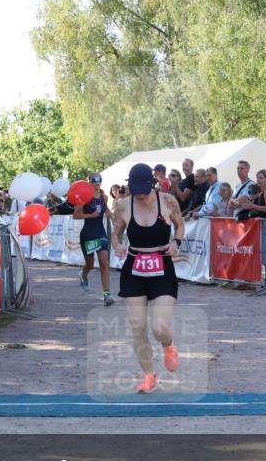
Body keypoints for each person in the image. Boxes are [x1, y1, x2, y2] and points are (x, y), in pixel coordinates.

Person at [112, 164, 185, 394]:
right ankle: (148, 376)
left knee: (159, 327)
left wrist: (177, 242)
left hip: (162, 265)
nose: (140, 194)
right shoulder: (123, 205)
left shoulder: (168, 201)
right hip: (134, 267)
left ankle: (168, 345)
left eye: (143, 189)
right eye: (135, 189)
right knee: (138, 327)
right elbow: (115, 232)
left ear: (152, 184)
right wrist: (117, 245)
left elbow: (180, 226)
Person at [74, 173, 116, 306]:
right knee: (90, 264)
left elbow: (108, 212)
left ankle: (106, 294)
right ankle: (84, 274)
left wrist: (117, 219)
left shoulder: (104, 197)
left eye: (99, 180)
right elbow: (76, 215)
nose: (97, 182)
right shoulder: (84, 197)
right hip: (88, 234)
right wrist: (91, 215)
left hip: (101, 234)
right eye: (94, 180)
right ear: (90, 182)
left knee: (104, 263)